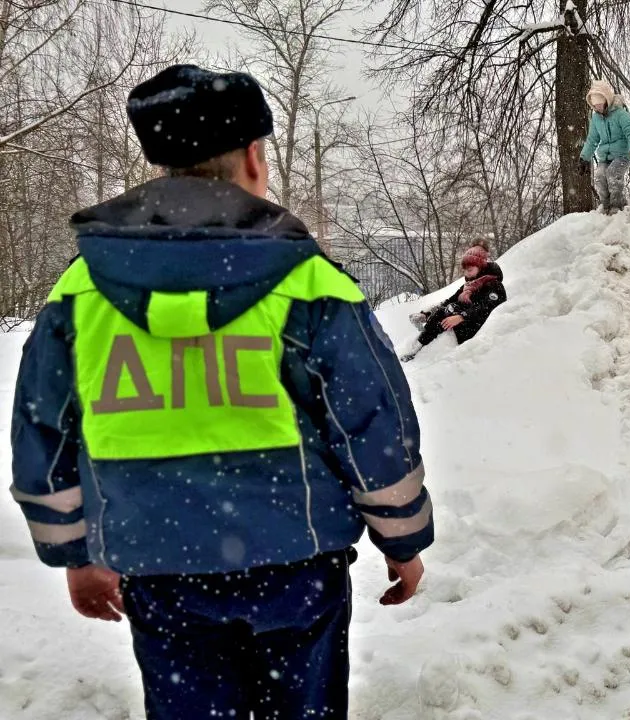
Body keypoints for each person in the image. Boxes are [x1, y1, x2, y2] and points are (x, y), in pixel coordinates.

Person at [8, 64, 433, 719]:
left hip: (159, 569)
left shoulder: (80, 292)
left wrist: (75, 553)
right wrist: (401, 542)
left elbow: (46, 429)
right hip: (296, 565)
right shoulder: (310, 281)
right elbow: (373, 426)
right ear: (256, 160)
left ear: (159, 163)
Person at [405, 244, 507, 357]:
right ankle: (417, 348)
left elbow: (485, 307)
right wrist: (427, 313)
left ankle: (422, 351)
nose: (467, 273)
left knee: (448, 311)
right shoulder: (469, 285)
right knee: (443, 311)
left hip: (478, 329)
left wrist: (461, 316)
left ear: (481, 267)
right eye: (465, 270)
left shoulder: (494, 285)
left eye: (470, 270)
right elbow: (450, 300)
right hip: (465, 320)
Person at [579, 79, 630, 214]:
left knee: (613, 173)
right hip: (606, 156)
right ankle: (606, 207)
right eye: (595, 106)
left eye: (600, 105)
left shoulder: (620, 114)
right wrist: (584, 158)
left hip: (622, 155)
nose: (598, 108)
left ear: (607, 100)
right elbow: (592, 139)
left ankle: (617, 207)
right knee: (600, 176)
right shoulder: (596, 117)